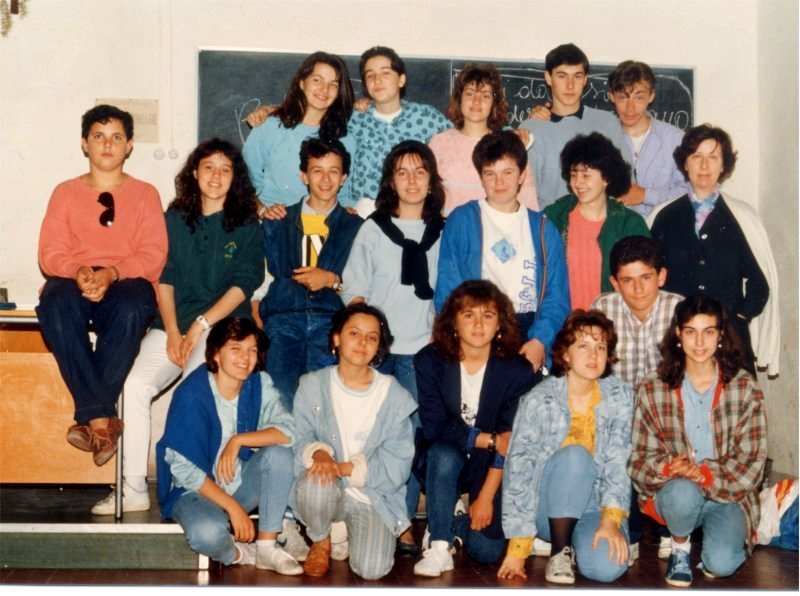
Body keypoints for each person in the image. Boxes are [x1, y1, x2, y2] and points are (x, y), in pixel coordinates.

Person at [90, 139, 264, 515]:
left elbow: (244, 284)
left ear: (235, 177)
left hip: (221, 328)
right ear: (194, 173)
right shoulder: (172, 219)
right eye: (208, 167)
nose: (216, 176)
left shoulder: (248, 224)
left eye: (225, 169)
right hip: (173, 324)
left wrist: (199, 327)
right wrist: (171, 330)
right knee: (134, 385)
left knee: (194, 387)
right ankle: (133, 487)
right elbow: (164, 278)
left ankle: (204, 488)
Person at [36, 104, 167, 467]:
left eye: (116, 137)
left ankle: (92, 416)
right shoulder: (65, 192)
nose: (107, 145)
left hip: (125, 279)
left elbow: (153, 254)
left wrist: (112, 272)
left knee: (134, 307)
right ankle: (102, 420)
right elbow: (50, 253)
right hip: (73, 277)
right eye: (98, 136)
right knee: (55, 304)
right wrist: (77, 270)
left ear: (129, 145)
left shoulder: (145, 194)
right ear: (84, 143)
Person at [341, 140, 445, 554]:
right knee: (371, 437)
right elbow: (354, 288)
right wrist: (365, 339)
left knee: (412, 440)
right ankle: (364, 518)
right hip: (379, 352)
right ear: (390, 181)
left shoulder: (445, 230)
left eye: (420, 172)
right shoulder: (373, 229)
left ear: (432, 180)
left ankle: (402, 524)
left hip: (423, 352)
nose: (412, 181)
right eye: (402, 173)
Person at [628, 294, 767, 587]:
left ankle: (714, 547)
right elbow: (638, 460)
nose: (700, 342)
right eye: (691, 332)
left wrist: (704, 472)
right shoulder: (653, 386)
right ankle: (679, 548)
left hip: (727, 495)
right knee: (683, 492)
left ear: (721, 335)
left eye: (709, 332)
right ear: (678, 334)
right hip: (677, 492)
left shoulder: (744, 387)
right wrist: (669, 468)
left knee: (722, 565)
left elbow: (752, 463)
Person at [413, 280, 540, 578]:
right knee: (442, 453)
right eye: (469, 315)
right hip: (445, 456)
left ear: (500, 323)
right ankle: (439, 544)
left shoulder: (517, 371)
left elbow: (509, 440)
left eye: (488, 315)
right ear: (454, 322)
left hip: (490, 464)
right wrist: (488, 439)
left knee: (486, 551)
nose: (479, 324)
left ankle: (454, 516)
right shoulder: (429, 361)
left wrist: (485, 497)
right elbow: (435, 428)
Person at [156, 318, 301, 574]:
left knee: (279, 455)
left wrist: (238, 440)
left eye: (252, 350)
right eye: (236, 348)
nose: (245, 358)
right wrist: (233, 509)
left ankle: (267, 548)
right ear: (216, 354)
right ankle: (240, 553)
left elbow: (288, 431)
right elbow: (185, 470)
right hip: (195, 491)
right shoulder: (192, 393)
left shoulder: (258, 383)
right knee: (207, 534)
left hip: (238, 482)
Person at [499, 310, 633, 585]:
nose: (593, 355)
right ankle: (559, 552)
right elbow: (519, 471)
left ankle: (577, 543)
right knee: (575, 457)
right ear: (566, 354)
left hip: (594, 503)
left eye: (600, 347)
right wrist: (517, 549)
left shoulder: (620, 396)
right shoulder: (539, 399)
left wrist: (610, 521)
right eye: (583, 346)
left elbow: (618, 462)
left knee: (607, 568)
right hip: (546, 505)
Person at [291, 303, 416, 580]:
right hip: (326, 487)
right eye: (354, 333)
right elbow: (300, 437)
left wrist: (346, 468)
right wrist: (319, 453)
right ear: (337, 338)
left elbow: (398, 465)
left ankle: (345, 530)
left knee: (373, 570)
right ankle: (322, 538)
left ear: (379, 346)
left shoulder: (394, 395)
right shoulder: (312, 385)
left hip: (372, 496)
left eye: (372, 337)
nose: (362, 342)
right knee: (316, 481)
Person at [436, 130, 570, 373]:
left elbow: (557, 295)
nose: (499, 182)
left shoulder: (543, 229)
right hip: (477, 327)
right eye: (490, 173)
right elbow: (448, 286)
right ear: (481, 177)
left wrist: (540, 340)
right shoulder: (462, 220)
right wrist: (463, 336)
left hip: (528, 330)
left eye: (507, 172)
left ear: (522, 175)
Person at [648, 124, 778, 375]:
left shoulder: (743, 217)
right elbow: (650, 277)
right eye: (696, 156)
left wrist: (739, 317)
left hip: (730, 340)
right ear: (685, 163)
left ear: (724, 165)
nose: (704, 165)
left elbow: (759, 282)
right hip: (677, 339)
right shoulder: (662, 216)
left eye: (713, 157)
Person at [591, 235, 683, 562]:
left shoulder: (679, 310)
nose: (638, 289)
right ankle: (625, 528)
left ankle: (669, 527)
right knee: (615, 444)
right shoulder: (603, 309)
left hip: (668, 413)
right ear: (615, 283)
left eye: (646, 277)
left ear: (661, 276)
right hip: (618, 409)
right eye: (627, 281)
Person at [256, 137, 362, 410]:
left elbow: (363, 285)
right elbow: (260, 281)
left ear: (344, 178)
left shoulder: (356, 227)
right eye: (317, 171)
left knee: (324, 403)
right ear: (304, 176)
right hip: (283, 320)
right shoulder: (277, 221)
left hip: (330, 323)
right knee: (280, 399)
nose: (325, 180)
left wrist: (332, 280)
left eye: (333, 171)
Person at [544, 132, 649, 310]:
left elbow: (644, 283)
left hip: (611, 321)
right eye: (573, 175)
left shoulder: (630, 224)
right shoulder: (554, 216)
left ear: (606, 178)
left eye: (586, 175)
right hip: (564, 321)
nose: (578, 183)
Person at [520, 43, 630, 207]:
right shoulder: (531, 130)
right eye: (562, 76)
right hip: (550, 220)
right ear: (548, 78)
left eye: (577, 76)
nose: (570, 85)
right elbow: (525, 193)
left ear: (585, 79)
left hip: (602, 219)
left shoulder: (608, 123)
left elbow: (625, 185)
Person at [242, 51, 357, 208]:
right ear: (302, 83)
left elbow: (344, 195)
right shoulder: (270, 127)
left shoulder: (344, 138)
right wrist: (262, 210)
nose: (324, 89)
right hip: (272, 218)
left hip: (320, 221)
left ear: (338, 93)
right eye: (317, 80)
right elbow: (243, 180)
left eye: (333, 84)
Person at [347, 46, 452, 217]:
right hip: (366, 210)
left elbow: (462, 138)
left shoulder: (425, 117)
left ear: (401, 80)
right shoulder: (355, 119)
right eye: (370, 75)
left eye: (385, 73)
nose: (377, 80)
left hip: (413, 209)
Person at [428, 62, 538, 214]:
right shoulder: (439, 143)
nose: (476, 101)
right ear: (459, 99)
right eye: (470, 93)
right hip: (449, 227)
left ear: (494, 103)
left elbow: (528, 201)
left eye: (485, 95)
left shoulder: (508, 146)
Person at [606, 60, 689, 216]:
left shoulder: (676, 140)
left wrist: (645, 195)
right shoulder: (602, 140)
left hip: (661, 228)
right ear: (611, 96)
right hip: (615, 228)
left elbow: (690, 192)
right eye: (623, 97)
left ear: (651, 96)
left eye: (639, 98)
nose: (630, 108)